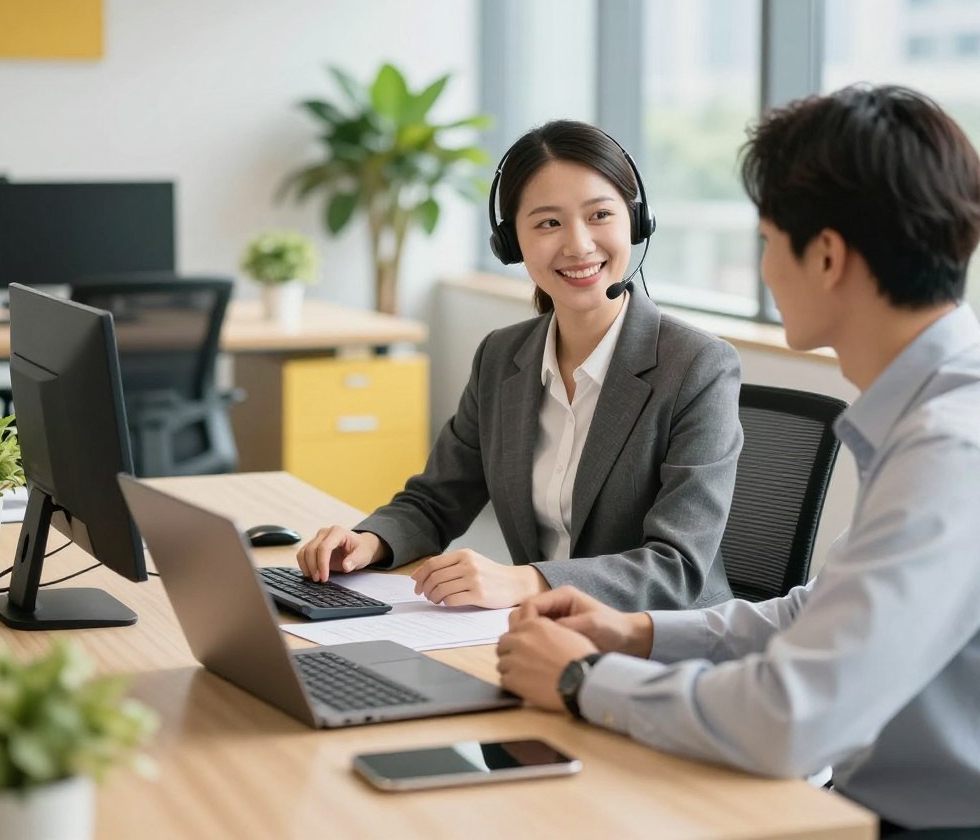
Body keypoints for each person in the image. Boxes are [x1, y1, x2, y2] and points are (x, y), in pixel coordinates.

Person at [495, 86, 980, 835]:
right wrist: (639, 634)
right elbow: (818, 610)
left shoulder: (951, 449)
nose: (761, 269)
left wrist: (581, 677)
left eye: (764, 240)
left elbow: (790, 718)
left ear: (824, 256)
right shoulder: (927, 413)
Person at [297, 119, 743, 611]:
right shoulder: (502, 358)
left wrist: (527, 582)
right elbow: (435, 501)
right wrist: (369, 542)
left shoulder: (698, 366)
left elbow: (677, 566)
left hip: (660, 642)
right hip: (538, 631)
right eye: (548, 223)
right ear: (512, 245)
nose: (578, 244)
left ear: (636, 222)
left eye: (599, 215)